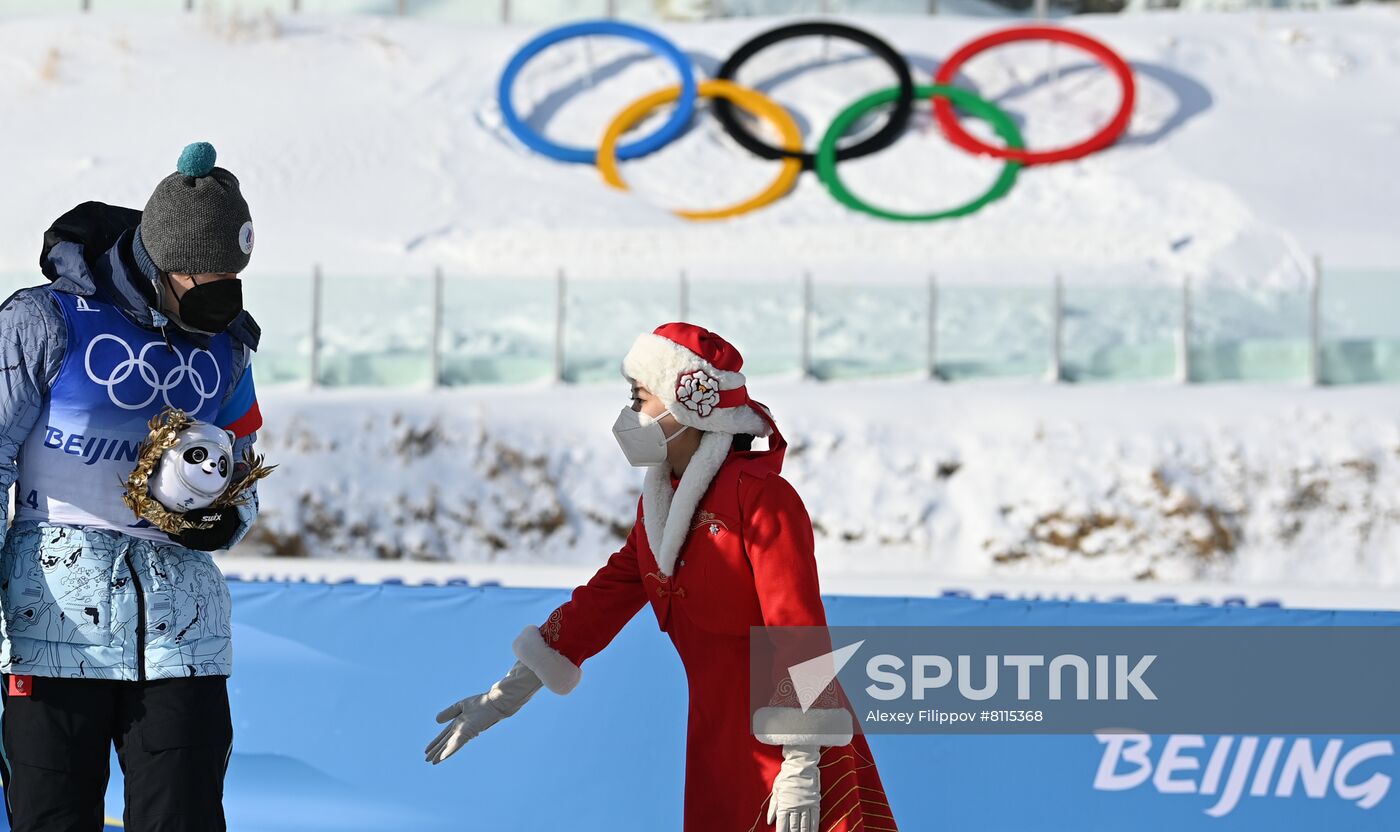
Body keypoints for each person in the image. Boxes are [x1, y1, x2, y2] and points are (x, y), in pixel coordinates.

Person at [426, 322, 897, 832]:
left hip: (791, 749)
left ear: (687, 407)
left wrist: (803, 763)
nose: (630, 414)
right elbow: (599, 604)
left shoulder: (763, 499)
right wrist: (509, 692)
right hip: (716, 742)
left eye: (640, 396)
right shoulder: (660, 510)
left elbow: (798, 632)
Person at [0, 142, 263, 831]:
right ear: (158, 259)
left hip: (185, 639)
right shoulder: (44, 321)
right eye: (202, 271)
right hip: (52, 630)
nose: (220, 286)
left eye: (232, 270)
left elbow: (243, 470)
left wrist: (224, 517)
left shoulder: (229, 343)